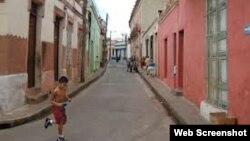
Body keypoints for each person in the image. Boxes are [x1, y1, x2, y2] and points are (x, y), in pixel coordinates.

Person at [44, 76, 71, 141]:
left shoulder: (64, 89)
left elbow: (65, 94)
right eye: (64, 84)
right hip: (56, 108)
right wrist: (58, 104)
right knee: (61, 122)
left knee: (63, 121)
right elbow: (50, 101)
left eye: (66, 85)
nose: (65, 86)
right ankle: (60, 137)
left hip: (62, 107)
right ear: (60, 83)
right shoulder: (56, 91)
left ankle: (49, 122)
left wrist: (68, 98)